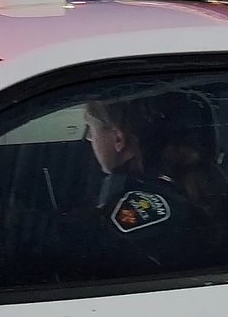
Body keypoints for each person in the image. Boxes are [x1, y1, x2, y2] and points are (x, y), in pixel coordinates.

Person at [52, 94, 216, 280]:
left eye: (91, 129)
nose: (90, 138)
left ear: (118, 139)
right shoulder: (173, 184)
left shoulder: (142, 208)